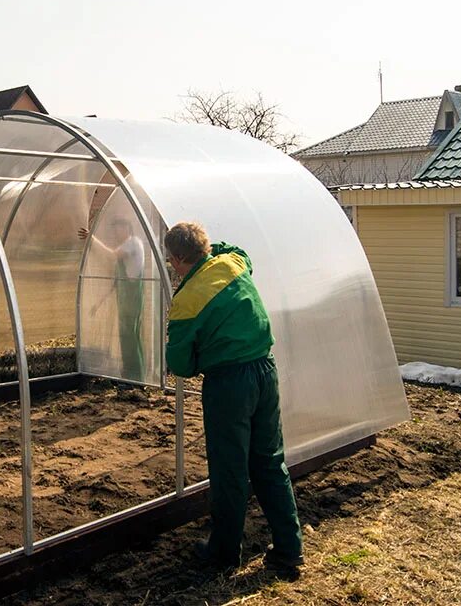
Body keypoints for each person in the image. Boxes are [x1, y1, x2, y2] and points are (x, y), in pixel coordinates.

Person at [163, 221, 304, 579]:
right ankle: (289, 549)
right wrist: (209, 248)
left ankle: (224, 553)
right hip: (264, 370)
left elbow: (178, 362)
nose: (171, 268)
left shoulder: (187, 300)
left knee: (229, 469)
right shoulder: (233, 264)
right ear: (206, 249)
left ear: (179, 259)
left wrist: (199, 359)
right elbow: (236, 249)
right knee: (270, 462)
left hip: (229, 384)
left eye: (171, 261)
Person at [78, 217, 146, 381]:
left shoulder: (132, 242)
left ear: (126, 228)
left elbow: (111, 256)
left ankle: (134, 378)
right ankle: (132, 375)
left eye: (118, 228)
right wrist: (99, 303)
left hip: (131, 297)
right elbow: (116, 282)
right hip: (126, 298)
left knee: (129, 337)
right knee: (128, 336)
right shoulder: (128, 245)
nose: (115, 232)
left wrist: (91, 238)